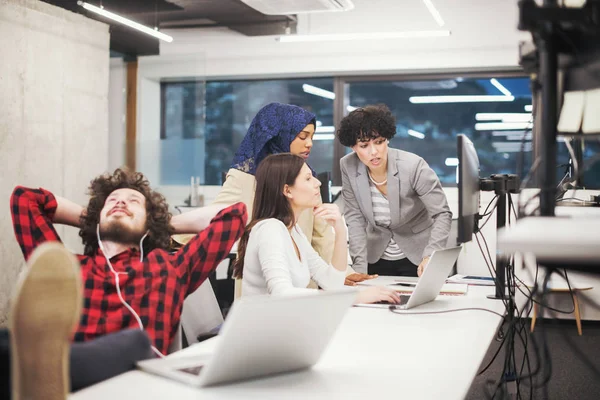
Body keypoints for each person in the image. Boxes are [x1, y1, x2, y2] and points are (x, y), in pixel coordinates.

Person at [9, 168, 247, 356]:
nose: (120, 203)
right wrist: (94, 219)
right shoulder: (64, 271)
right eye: (112, 201)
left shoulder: (169, 269)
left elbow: (234, 215)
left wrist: (160, 225)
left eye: (134, 201)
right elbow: (25, 199)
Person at [209, 102, 373, 286]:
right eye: (303, 136)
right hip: (265, 291)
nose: (309, 143)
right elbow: (211, 220)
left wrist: (345, 273)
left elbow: (322, 236)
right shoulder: (245, 179)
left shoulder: (307, 180)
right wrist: (172, 242)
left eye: (312, 136)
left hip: (303, 281)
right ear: (280, 135)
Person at [234, 153, 400, 305]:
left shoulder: (294, 232)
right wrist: (355, 297)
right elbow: (281, 294)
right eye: (308, 179)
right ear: (287, 190)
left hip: (285, 327)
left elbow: (331, 283)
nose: (318, 183)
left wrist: (340, 231)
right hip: (263, 334)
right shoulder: (270, 229)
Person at [337, 104, 452, 277]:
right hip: (376, 256)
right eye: (364, 145)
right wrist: (359, 269)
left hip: (418, 256)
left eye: (379, 142)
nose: (374, 152)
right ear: (353, 147)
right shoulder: (348, 165)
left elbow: (442, 213)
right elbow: (355, 219)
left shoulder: (413, 166)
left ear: (387, 139)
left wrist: (431, 256)